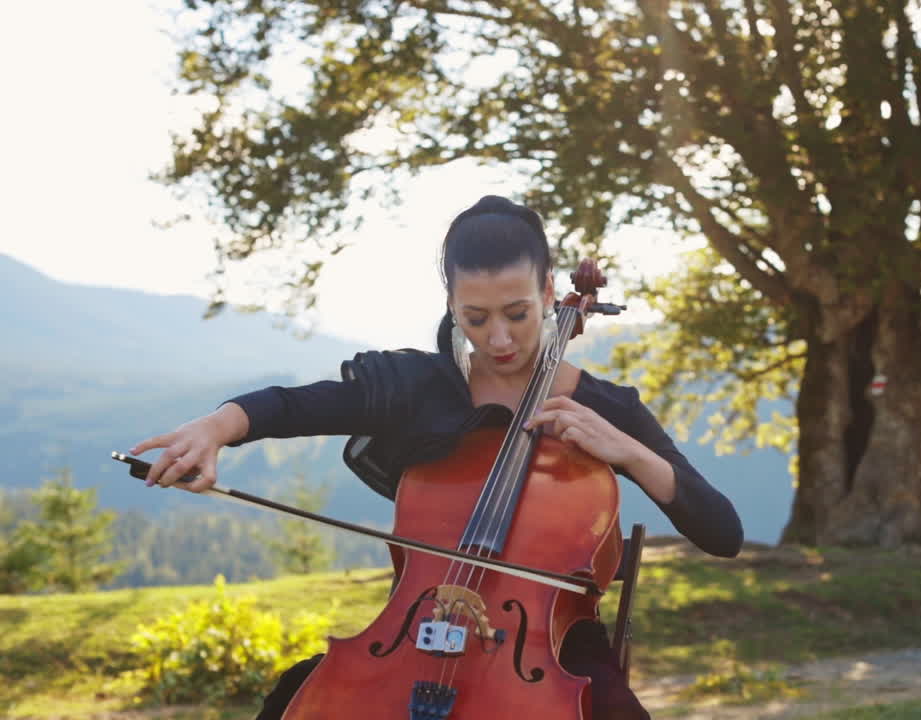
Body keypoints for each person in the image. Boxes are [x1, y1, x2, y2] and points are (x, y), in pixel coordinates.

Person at [129, 195, 744, 720]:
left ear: (549, 292)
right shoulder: (420, 385)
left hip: (554, 648)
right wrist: (215, 427)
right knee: (299, 697)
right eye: (475, 318)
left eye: (517, 314)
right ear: (451, 304)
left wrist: (630, 452)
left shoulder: (606, 407)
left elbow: (722, 533)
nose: (498, 338)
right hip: (417, 634)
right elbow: (293, 406)